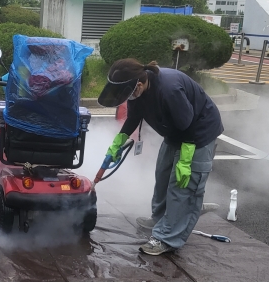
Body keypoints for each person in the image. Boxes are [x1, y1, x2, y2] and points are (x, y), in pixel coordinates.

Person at [95, 59, 224, 256]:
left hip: (197, 135)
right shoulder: (138, 89)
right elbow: (133, 118)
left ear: (138, 85)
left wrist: (186, 161)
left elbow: (187, 124)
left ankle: (167, 237)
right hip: (174, 132)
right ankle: (161, 218)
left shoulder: (169, 90)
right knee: (163, 175)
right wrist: (117, 144)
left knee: (182, 186)